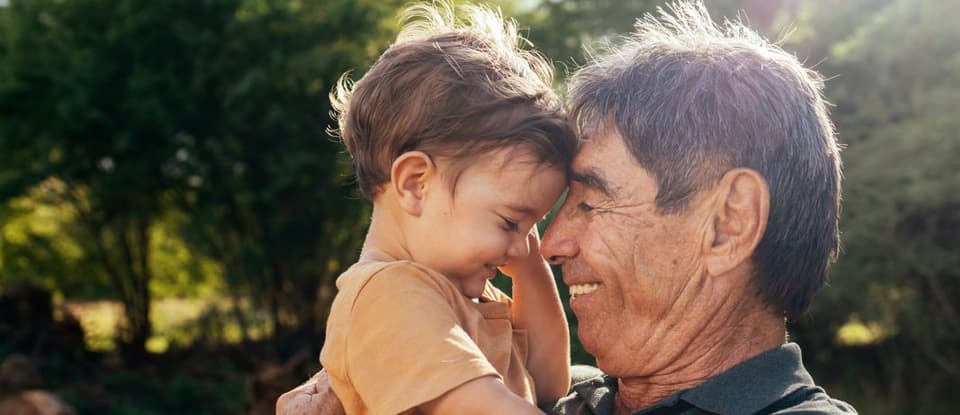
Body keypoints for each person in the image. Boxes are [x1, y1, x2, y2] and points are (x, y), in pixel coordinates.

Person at [279, 1, 858, 414]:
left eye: (591, 201)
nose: (549, 244)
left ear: (728, 223)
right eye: (522, 218)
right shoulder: (571, 398)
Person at [310, 2, 576, 414]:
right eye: (510, 222)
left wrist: (529, 270)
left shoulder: (462, 294)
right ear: (416, 184)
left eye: (532, 228)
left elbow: (548, 383)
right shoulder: (388, 296)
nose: (522, 247)